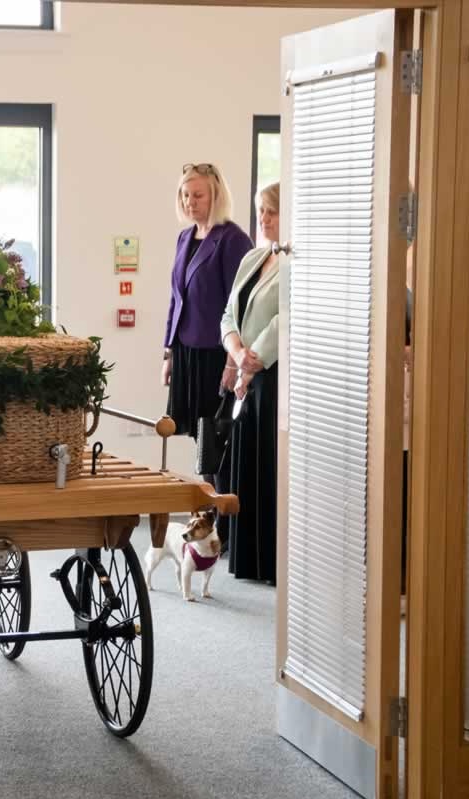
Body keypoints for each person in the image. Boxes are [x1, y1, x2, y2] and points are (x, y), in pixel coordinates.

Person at [162, 163, 254, 475]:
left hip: (217, 353)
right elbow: (176, 299)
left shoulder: (233, 239)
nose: (190, 202)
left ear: (216, 196)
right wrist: (169, 354)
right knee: (200, 437)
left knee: (218, 438)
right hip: (189, 351)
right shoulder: (185, 238)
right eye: (185, 195)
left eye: (198, 195)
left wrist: (233, 361)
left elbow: (240, 306)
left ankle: (217, 511)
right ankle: (207, 510)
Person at [218, 183, 281, 583]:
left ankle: (271, 561)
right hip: (248, 370)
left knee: (270, 466)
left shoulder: (299, 261)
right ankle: (247, 560)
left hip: (273, 376)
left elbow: (286, 319)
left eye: (272, 210)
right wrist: (237, 353)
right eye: (260, 209)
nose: (264, 218)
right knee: (247, 462)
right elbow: (227, 315)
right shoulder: (254, 257)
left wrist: (252, 359)